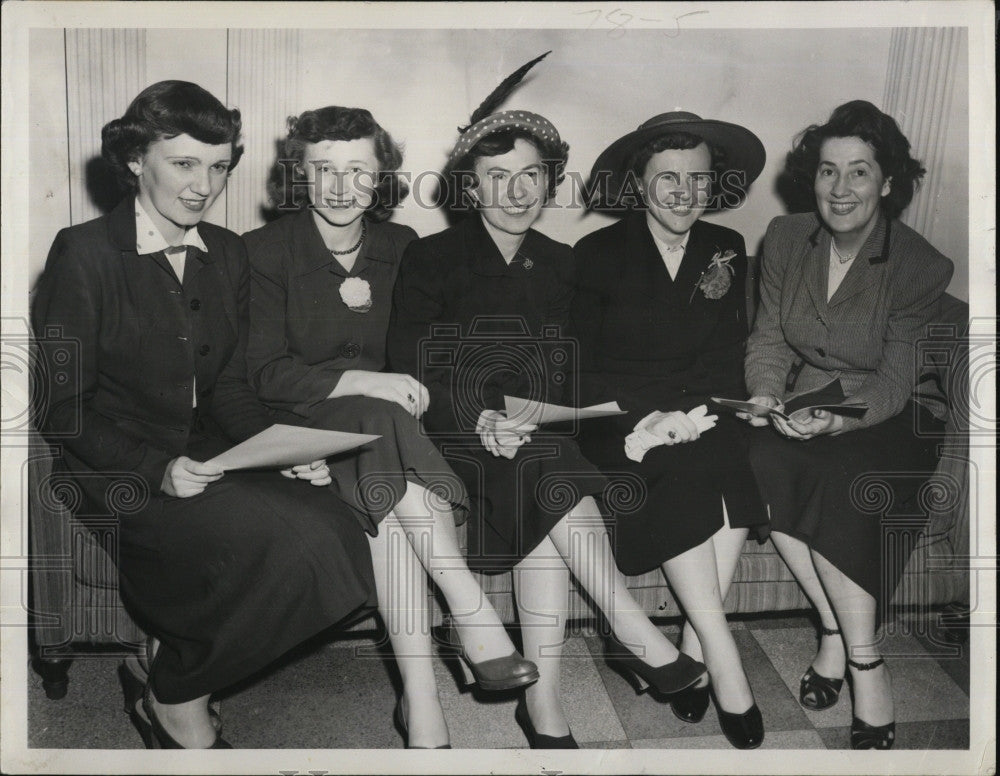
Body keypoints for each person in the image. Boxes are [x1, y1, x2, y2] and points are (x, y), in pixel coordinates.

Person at [31, 81, 379, 749]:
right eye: (184, 163)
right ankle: (177, 696)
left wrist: (280, 446)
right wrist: (157, 469)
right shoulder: (85, 254)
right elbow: (62, 409)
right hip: (113, 470)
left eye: (219, 167)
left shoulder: (227, 251)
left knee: (337, 537)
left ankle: (168, 674)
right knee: (284, 548)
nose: (204, 185)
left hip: (211, 454)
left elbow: (228, 389)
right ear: (136, 159)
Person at [387, 55, 707, 749]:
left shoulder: (563, 263)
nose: (515, 191)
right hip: (449, 439)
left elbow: (571, 372)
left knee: (550, 466)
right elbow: (410, 365)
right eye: (496, 177)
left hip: (530, 438)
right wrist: (480, 417)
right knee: (549, 472)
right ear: (471, 187)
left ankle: (548, 701)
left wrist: (622, 411)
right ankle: (624, 632)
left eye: (530, 175)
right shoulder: (431, 256)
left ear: (550, 181)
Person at [244, 106, 536, 749]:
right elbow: (265, 374)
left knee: (392, 507)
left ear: (382, 178)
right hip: (308, 422)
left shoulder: (405, 248)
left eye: (358, 170)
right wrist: (363, 383)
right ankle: (468, 608)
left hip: (387, 442)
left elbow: (428, 352)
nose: (341, 187)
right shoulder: (262, 252)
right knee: (380, 420)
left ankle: (422, 701)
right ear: (298, 174)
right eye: (322, 169)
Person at [741, 100, 953, 750]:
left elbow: (894, 378)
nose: (841, 189)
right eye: (828, 172)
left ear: (887, 182)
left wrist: (837, 419)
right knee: (756, 463)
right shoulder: (784, 237)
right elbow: (770, 338)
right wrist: (767, 394)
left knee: (837, 477)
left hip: (898, 411)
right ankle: (833, 631)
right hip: (808, 396)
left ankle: (863, 659)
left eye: (859, 172)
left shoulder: (920, 264)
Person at [571, 111, 769, 749]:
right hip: (622, 417)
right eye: (667, 179)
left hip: (704, 406)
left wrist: (715, 409)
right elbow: (579, 366)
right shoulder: (595, 254)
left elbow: (728, 351)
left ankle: (694, 646)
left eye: (698, 179)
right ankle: (724, 653)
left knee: (737, 455)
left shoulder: (727, 247)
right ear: (637, 185)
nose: (683, 193)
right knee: (682, 468)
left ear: (714, 186)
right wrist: (650, 416)